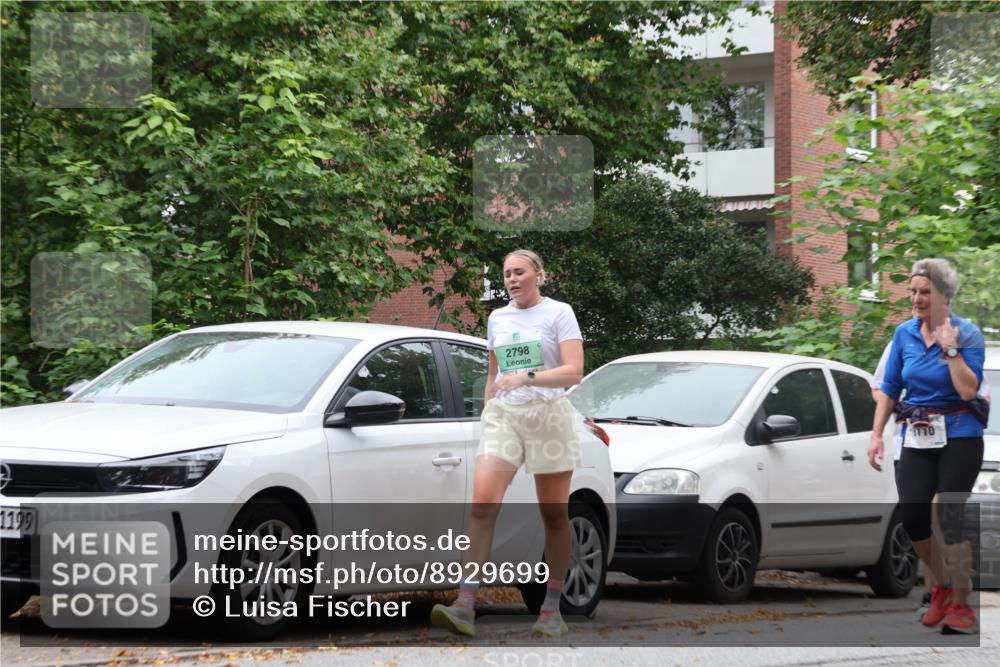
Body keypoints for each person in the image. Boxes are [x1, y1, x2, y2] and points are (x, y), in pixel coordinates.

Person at [430, 249, 584, 637]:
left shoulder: (558, 313)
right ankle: (465, 603)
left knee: (553, 513)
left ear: (539, 276)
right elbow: (494, 373)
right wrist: (488, 409)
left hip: (549, 416)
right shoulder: (498, 317)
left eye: (519, 272)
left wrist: (528, 377)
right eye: (506, 274)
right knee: (483, 502)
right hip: (505, 417)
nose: (512, 280)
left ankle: (552, 610)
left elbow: (574, 372)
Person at [868, 258, 989, 634]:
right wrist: (876, 434)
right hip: (918, 432)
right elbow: (889, 388)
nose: (917, 299)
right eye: (913, 292)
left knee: (945, 514)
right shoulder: (904, 333)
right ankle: (940, 584)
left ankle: (962, 604)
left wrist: (951, 351)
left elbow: (969, 390)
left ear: (945, 295)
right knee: (915, 517)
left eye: (926, 292)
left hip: (960, 433)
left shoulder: (968, 334)